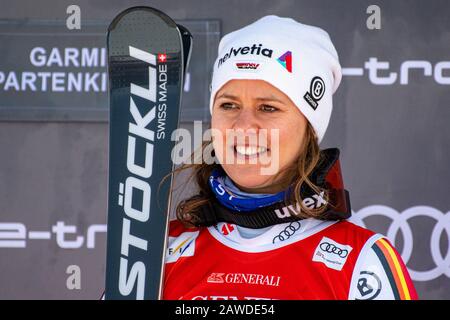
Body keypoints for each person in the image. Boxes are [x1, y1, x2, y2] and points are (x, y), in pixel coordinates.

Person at [162, 15, 418, 300]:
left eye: (268, 108)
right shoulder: (159, 254)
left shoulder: (360, 262)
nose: (244, 126)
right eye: (229, 105)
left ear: (309, 127)